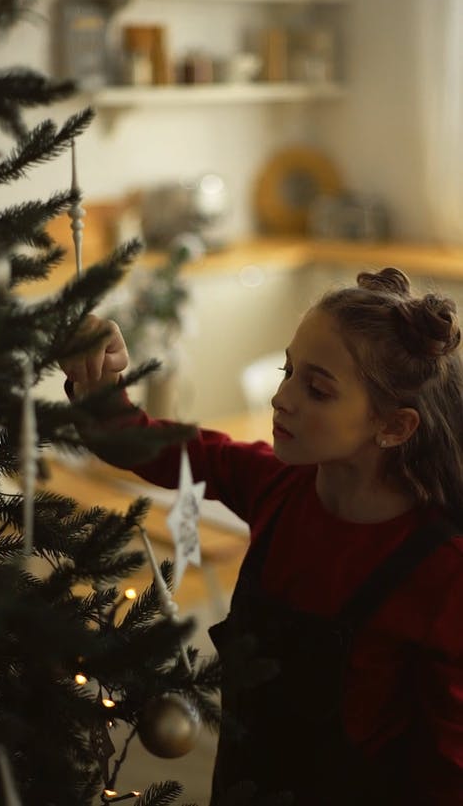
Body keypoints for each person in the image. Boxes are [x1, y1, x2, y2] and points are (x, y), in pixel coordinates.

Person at [60, 267, 463, 805]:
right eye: (288, 370)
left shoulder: (442, 571)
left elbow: (448, 767)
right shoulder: (276, 484)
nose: (282, 397)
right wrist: (99, 385)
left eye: (317, 389)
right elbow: (140, 443)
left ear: (394, 427)